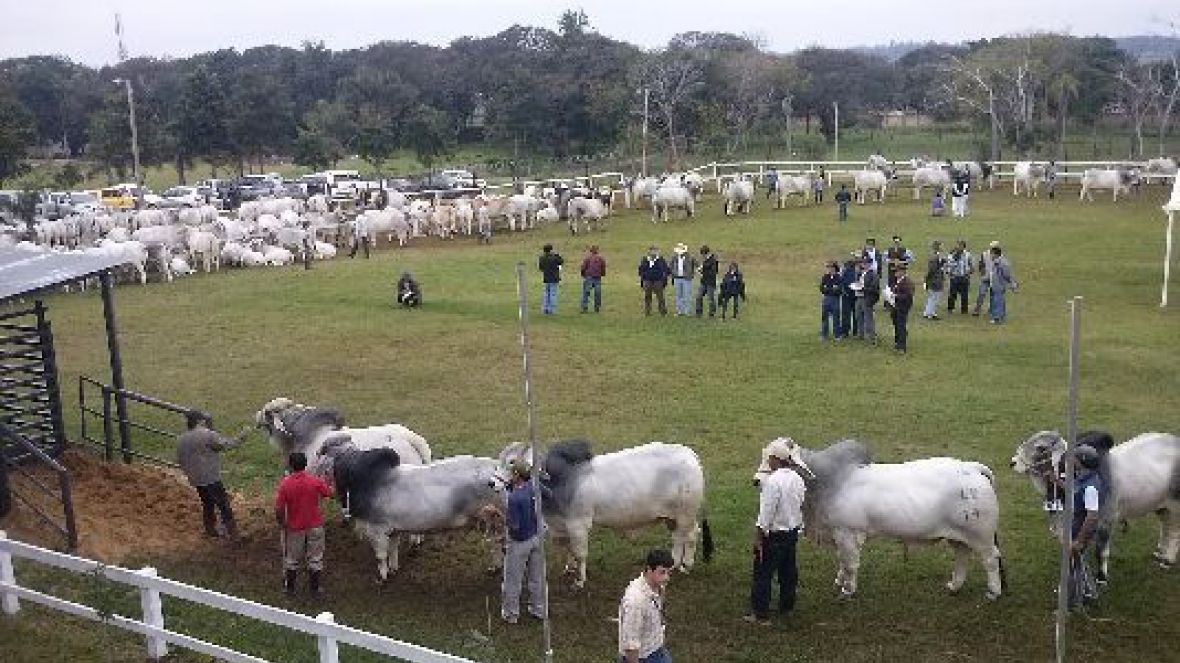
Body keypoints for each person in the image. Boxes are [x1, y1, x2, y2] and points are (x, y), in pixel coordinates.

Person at [745, 437, 806, 625]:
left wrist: (758, 536)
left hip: (773, 535)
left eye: (769, 458)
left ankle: (760, 613)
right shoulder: (797, 479)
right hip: (792, 532)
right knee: (788, 571)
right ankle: (786, 606)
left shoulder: (772, 482)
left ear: (776, 459)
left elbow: (766, 513)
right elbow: (800, 503)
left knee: (762, 574)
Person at [176, 410, 248, 540]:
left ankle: (210, 529)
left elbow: (180, 460)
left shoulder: (181, 439)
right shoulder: (207, 434)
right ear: (199, 421)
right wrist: (241, 438)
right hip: (210, 477)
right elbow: (225, 445)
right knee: (223, 503)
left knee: (207, 502)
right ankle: (233, 533)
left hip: (195, 478)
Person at [274, 452, 333, 597]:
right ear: (305, 464)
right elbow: (329, 493)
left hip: (295, 527)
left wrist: (282, 522)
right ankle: (315, 589)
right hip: (315, 525)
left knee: (292, 559)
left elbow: (279, 508)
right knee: (315, 558)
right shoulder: (315, 481)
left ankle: (290, 589)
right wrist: (327, 480)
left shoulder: (285, 484)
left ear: (290, 465)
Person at [501, 462, 545, 624]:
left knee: (513, 579)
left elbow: (514, 525)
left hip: (520, 542)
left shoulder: (514, 498)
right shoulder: (534, 487)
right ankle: (539, 609)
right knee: (537, 577)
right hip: (537, 537)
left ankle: (511, 614)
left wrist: (501, 517)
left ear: (517, 475)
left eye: (512, 473)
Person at [618, 548, 675, 663]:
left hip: (656, 647)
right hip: (643, 657)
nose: (667, 578)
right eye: (662, 572)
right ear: (649, 570)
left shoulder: (657, 585)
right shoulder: (635, 601)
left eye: (669, 572)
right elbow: (631, 644)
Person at [987, 244, 1018, 324]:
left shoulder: (1003, 263)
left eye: (991, 253)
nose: (990, 255)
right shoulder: (996, 262)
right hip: (994, 285)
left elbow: (1007, 275)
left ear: (996, 254)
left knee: (998, 302)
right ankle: (1001, 316)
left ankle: (997, 318)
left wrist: (1013, 284)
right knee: (998, 301)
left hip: (999, 286)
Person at [638, 245, 670, 316]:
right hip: (648, 281)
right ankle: (647, 311)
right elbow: (641, 270)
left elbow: (666, 269)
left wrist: (663, 278)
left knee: (660, 297)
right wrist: (644, 277)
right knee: (647, 296)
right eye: (652, 251)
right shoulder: (645, 259)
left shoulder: (661, 260)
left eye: (655, 251)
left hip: (658, 281)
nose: (654, 252)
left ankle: (663, 311)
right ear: (649, 251)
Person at [853, 256, 879, 343]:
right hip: (859, 297)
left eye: (866, 263)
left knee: (868, 318)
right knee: (858, 316)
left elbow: (874, 288)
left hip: (867, 298)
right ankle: (861, 334)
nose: (864, 264)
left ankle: (871, 336)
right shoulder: (860, 273)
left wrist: (863, 288)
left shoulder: (873, 274)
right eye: (864, 263)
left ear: (870, 264)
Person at [890, 263, 914, 353]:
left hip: (902, 307)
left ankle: (902, 347)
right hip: (895, 306)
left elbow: (908, 296)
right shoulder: (896, 280)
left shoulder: (908, 282)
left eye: (896, 271)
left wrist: (896, 296)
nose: (895, 273)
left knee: (901, 326)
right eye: (894, 271)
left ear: (902, 272)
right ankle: (897, 342)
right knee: (896, 325)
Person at [668, 242, 697, 316]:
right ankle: (679, 311)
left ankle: (687, 311)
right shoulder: (674, 258)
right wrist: (672, 273)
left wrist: (692, 273)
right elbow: (670, 266)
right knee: (678, 295)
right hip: (677, 278)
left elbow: (697, 265)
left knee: (686, 295)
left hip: (686, 279)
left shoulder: (690, 257)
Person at [945, 240, 972, 314]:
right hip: (954, 277)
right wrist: (949, 273)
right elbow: (948, 265)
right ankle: (950, 308)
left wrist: (969, 272)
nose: (958, 247)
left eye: (960, 246)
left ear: (964, 247)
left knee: (964, 295)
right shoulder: (951, 254)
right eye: (958, 245)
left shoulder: (967, 254)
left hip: (964, 277)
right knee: (952, 294)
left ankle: (964, 310)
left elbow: (970, 264)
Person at [921, 240, 946, 320]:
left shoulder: (937, 256)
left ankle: (929, 312)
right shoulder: (935, 256)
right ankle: (929, 313)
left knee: (933, 297)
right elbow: (932, 269)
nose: (943, 247)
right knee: (934, 296)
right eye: (941, 246)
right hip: (935, 279)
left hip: (936, 278)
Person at [972, 241, 998, 316]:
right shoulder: (984, 254)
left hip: (995, 278)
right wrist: (982, 273)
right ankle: (977, 310)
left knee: (993, 295)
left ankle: (991, 310)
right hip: (985, 278)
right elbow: (981, 264)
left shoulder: (1000, 256)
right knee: (981, 294)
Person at [819, 261, 842, 341]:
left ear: (834, 268)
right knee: (824, 317)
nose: (829, 269)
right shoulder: (825, 277)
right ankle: (824, 335)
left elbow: (839, 290)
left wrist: (828, 289)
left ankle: (837, 335)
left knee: (836, 317)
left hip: (835, 299)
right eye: (828, 267)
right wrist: (831, 289)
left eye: (830, 267)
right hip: (826, 299)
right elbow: (822, 288)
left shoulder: (838, 277)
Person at [538, 243, 564, 315]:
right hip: (554, 278)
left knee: (546, 294)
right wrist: (557, 255)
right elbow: (561, 261)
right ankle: (551, 309)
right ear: (551, 250)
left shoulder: (542, 258)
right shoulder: (554, 257)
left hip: (546, 278)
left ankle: (545, 308)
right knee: (553, 294)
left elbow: (541, 268)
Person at [580, 245, 606, 313]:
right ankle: (596, 308)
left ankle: (585, 308)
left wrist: (583, 274)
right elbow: (603, 268)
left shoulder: (587, 258)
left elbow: (583, 268)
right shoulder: (601, 259)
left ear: (591, 251)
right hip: (597, 277)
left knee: (586, 293)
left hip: (588, 276)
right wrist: (602, 274)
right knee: (597, 293)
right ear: (597, 251)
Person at [695, 245, 719, 318]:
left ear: (706, 253)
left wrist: (703, 272)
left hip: (710, 283)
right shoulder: (705, 260)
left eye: (703, 255)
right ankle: (698, 312)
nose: (702, 256)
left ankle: (712, 313)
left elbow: (713, 272)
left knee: (710, 298)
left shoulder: (714, 261)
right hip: (703, 282)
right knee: (698, 297)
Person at [838, 259, 858, 338]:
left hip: (846, 296)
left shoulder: (844, 272)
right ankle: (855, 331)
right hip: (855, 295)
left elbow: (841, 283)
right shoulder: (856, 272)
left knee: (846, 314)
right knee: (855, 314)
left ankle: (845, 332)